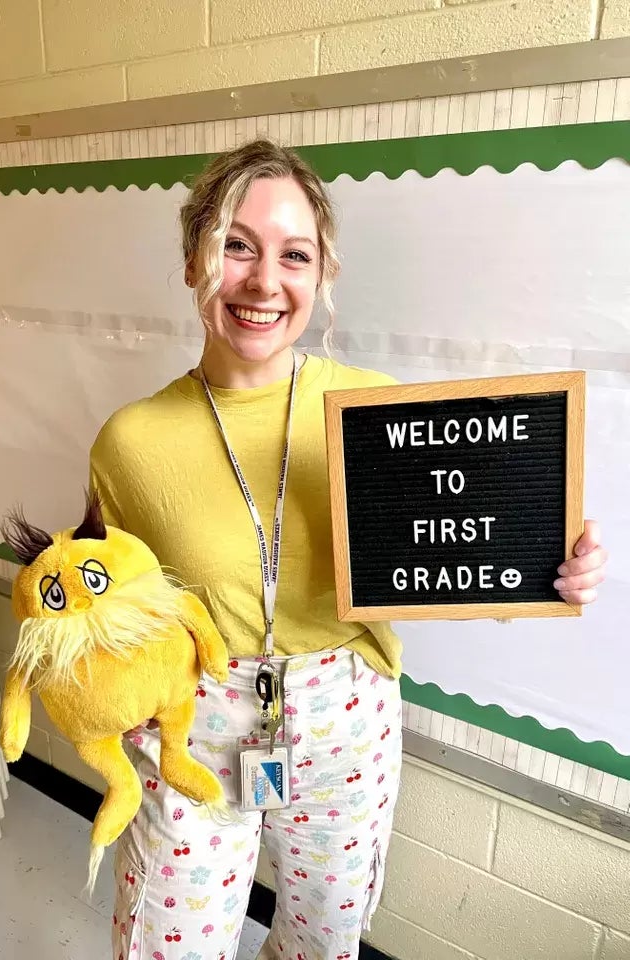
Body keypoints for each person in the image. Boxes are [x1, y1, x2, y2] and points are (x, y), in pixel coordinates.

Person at [89, 138, 608, 960]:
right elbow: (102, 597)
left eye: (294, 254)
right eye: (236, 244)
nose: (265, 281)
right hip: (192, 723)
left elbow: (462, 558)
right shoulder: (130, 442)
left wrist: (552, 563)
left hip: (343, 725)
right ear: (194, 259)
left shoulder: (380, 415)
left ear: (322, 272)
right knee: (167, 945)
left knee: (323, 944)